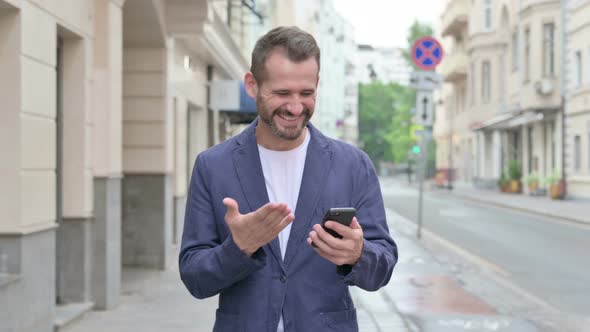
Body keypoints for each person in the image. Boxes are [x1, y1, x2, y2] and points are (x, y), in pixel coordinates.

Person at [179, 26, 398, 332]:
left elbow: (383, 268)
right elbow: (194, 278)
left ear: (317, 84)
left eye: (306, 93)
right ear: (252, 85)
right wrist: (238, 248)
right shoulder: (212, 166)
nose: (296, 107)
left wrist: (358, 255)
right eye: (282, 93)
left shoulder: (353, 165)